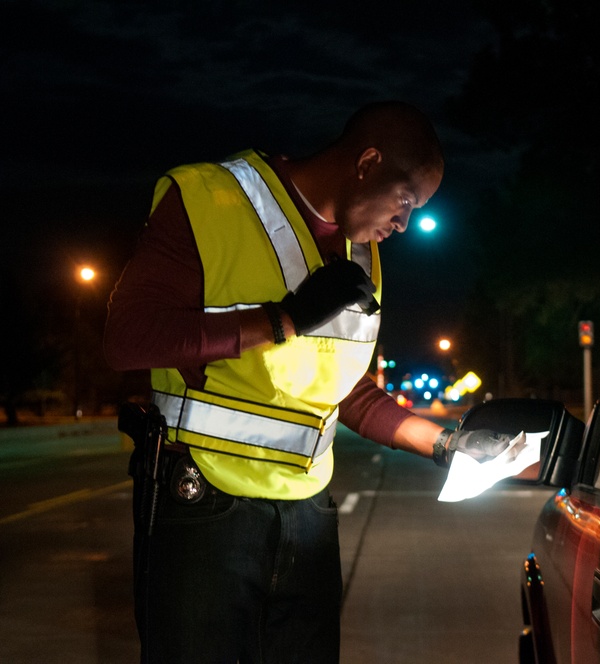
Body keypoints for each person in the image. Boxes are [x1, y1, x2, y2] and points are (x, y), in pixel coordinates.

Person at [104, 100, 513, 663]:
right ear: (367, 162)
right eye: (406, 201)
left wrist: (445, 444)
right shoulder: (209, 198)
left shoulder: (361, 254)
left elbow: (345, 388)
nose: (405, 223)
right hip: (203, 507)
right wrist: (281, 319)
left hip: (308, 516)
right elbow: (128, 336)